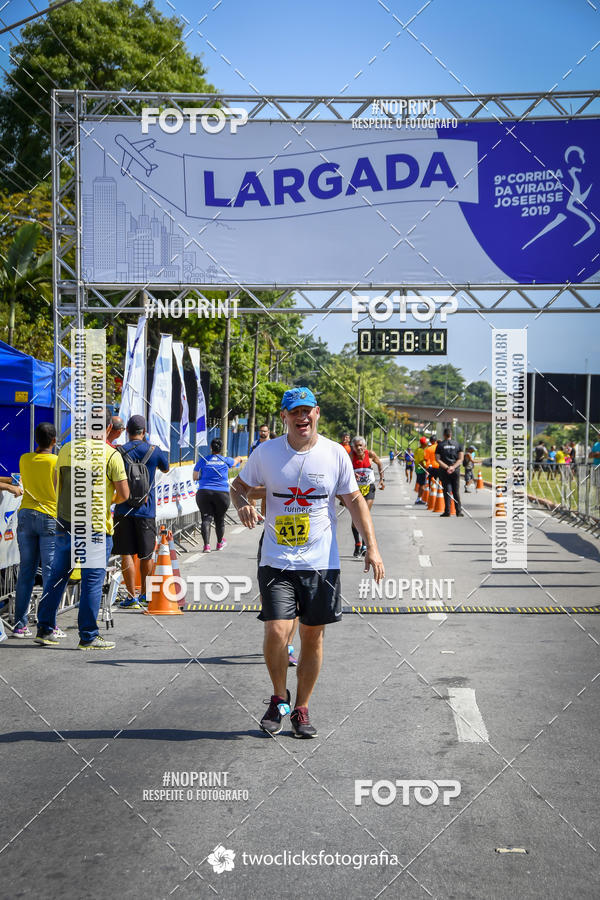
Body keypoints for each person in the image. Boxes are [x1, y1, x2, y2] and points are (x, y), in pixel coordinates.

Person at [230, 386, 384, 739]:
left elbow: (356, 501)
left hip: (321, 563)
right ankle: (278, 698)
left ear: (317, 413)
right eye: (294, 412)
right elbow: (237, 486)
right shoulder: (266, 453)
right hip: (276, 559)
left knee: (312, 638)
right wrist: (240, 503)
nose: (302, 418)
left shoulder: (334, 454)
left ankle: (301, 708)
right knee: (277, 631)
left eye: (307, 411)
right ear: (284, 417)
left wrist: (372, 547)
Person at [35, 408, 129, 650]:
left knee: (57, 577)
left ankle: (45, 628)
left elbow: (57, 485)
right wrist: (109, 500)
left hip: (66, 522)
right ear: (108, 428)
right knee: (92, 580)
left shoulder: (66, 449)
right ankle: (88, 636)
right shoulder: (111, 455)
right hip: (96, 526)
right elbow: (125, 494)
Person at [113, 415, 169, 609]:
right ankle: (146, 594)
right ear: (144, 432)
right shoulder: (154, 451)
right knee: (146, 554)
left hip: (123, 508)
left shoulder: (119, 452)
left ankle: (131, 597)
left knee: (126, 553)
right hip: (147, 510)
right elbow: (166, 467)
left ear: (127, 431)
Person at [11, 423, 58, 638]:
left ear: (36, 440)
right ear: (54, 441)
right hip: (49, 516)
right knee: (50, 573)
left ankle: (20, 624)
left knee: (26, 572)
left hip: (26, 514)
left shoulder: (24, 458)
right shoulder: (56, 462)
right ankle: (47, 624)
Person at [194, 438, 244, 552]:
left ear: (211, 448)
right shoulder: (225, 460)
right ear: (222, 449)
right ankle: (219, 543)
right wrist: (240, 458)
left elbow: (195, 477)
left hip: (204, 493)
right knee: (220, 519)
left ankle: (206, 546)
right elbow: (235, 462)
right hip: (222, 494)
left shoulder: (203, 460)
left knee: (206, 518)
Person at [349, 435, 384, 557]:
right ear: (352, 447)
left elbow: (379, 464)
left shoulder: (371, 454)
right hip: (355, 491)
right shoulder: (351, 456)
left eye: (361, 446)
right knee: (355, 518)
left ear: (365, 446)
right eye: (356, 446)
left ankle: (364, 545)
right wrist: (352, 474)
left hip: (369, 488)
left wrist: (381, 480)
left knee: (365, 515)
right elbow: (344, 470)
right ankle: (357, 544)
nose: (359, 448)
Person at [435, 428, 464, 517]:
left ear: (444, 435)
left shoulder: (440, 445)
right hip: (455, 470)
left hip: (444, 471)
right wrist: (453, 467)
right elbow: (460, 459)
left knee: (447, 491)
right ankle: (458, 511)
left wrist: (447, 467)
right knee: (456, 491)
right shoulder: (458, 444)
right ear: (451, 435)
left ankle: (447, 511)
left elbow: (437, 459)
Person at [413, 437, 428, 504]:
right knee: (422, 485)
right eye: (426, 442)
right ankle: (419, 499)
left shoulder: (416, 450)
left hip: (417, 469)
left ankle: (419, 498)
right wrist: (426, 468)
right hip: (421, 469)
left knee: (421, 484)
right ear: (424, 443)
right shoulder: (421, 451)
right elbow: (421, 461)